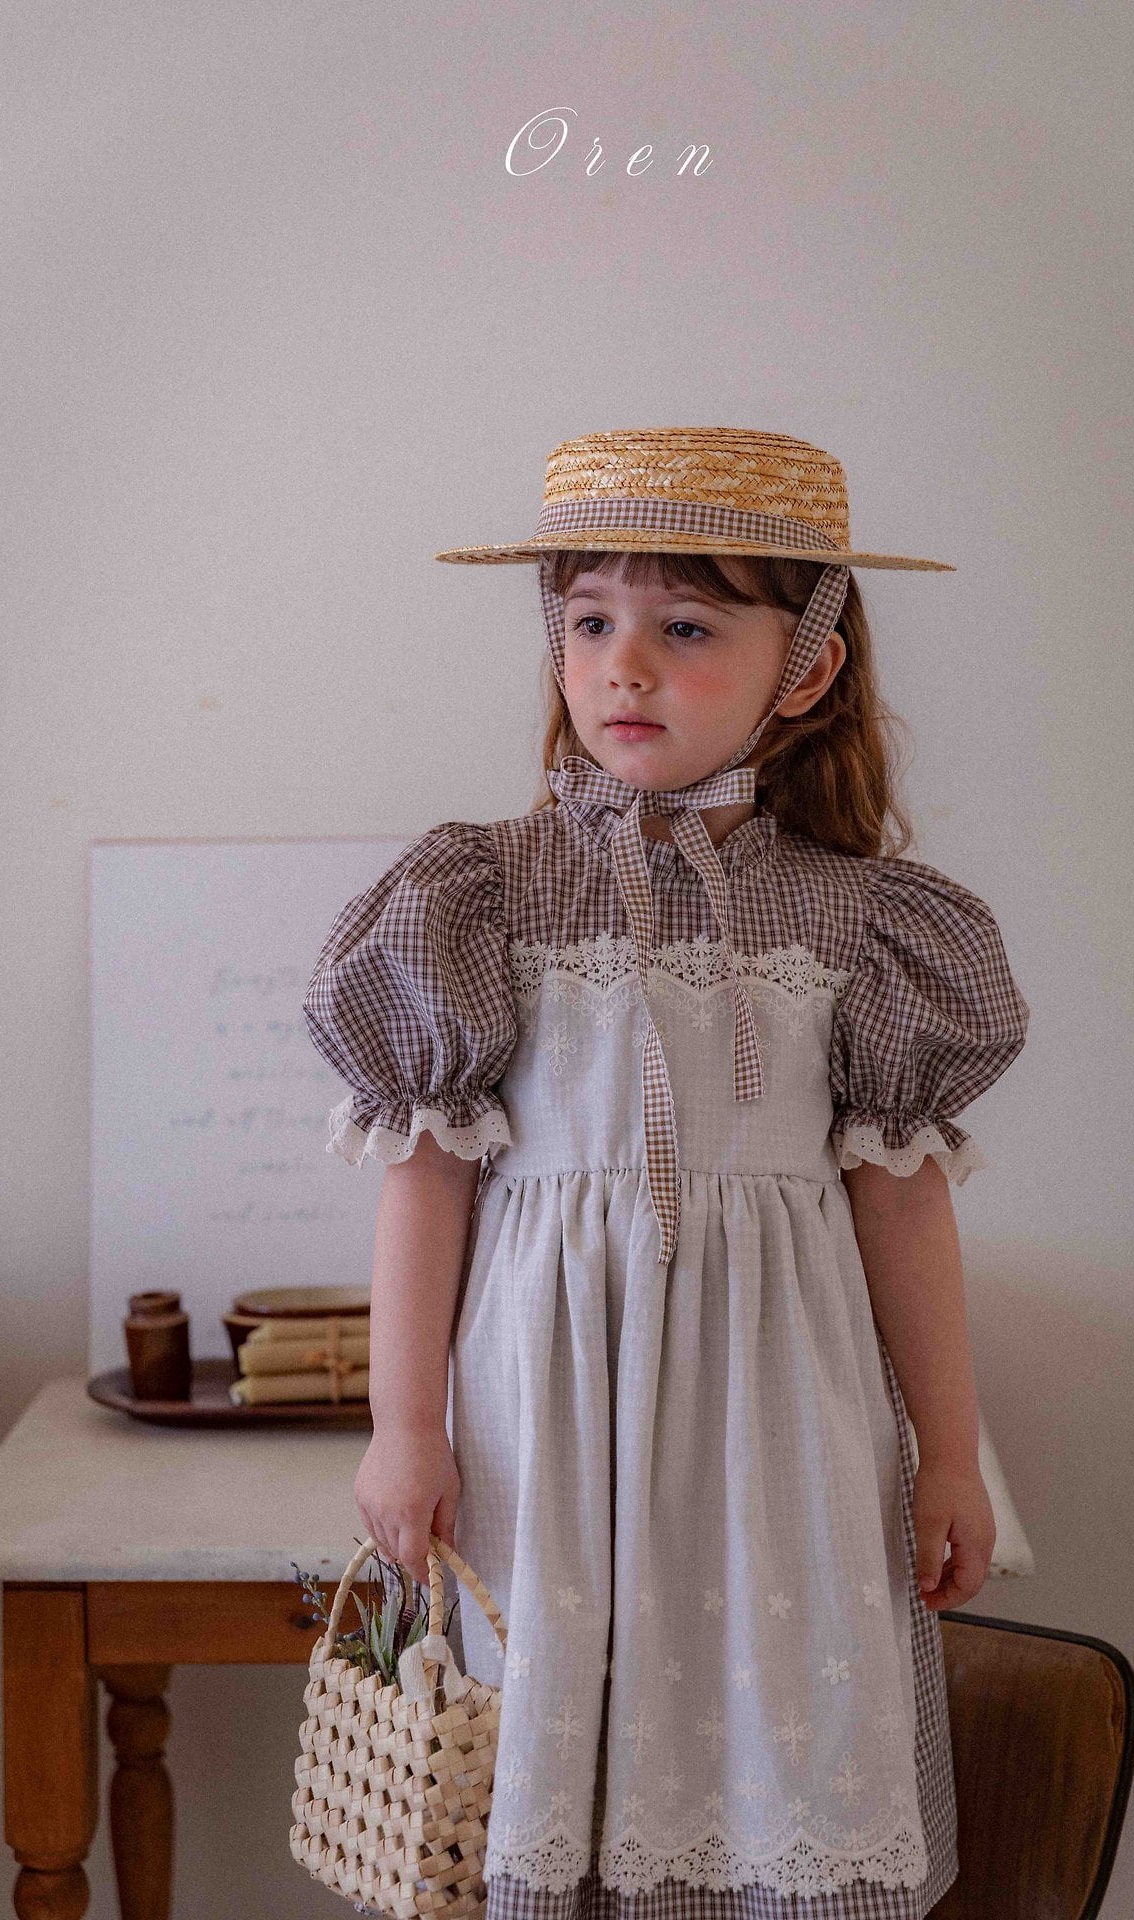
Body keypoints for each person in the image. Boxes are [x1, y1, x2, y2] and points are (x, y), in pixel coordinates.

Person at [301, 426, 1030, 1919]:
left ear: (804, 670)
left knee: (777, 1708)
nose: (623, 666)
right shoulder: (481, 892)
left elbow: (901, 1198)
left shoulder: (863, 918)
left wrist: (949, 1453)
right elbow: (427, 1179)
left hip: (781, 1411)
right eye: (589, 622)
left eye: (686, 628)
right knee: (546, 1716)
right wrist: (404, 1428)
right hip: (543, 1411)